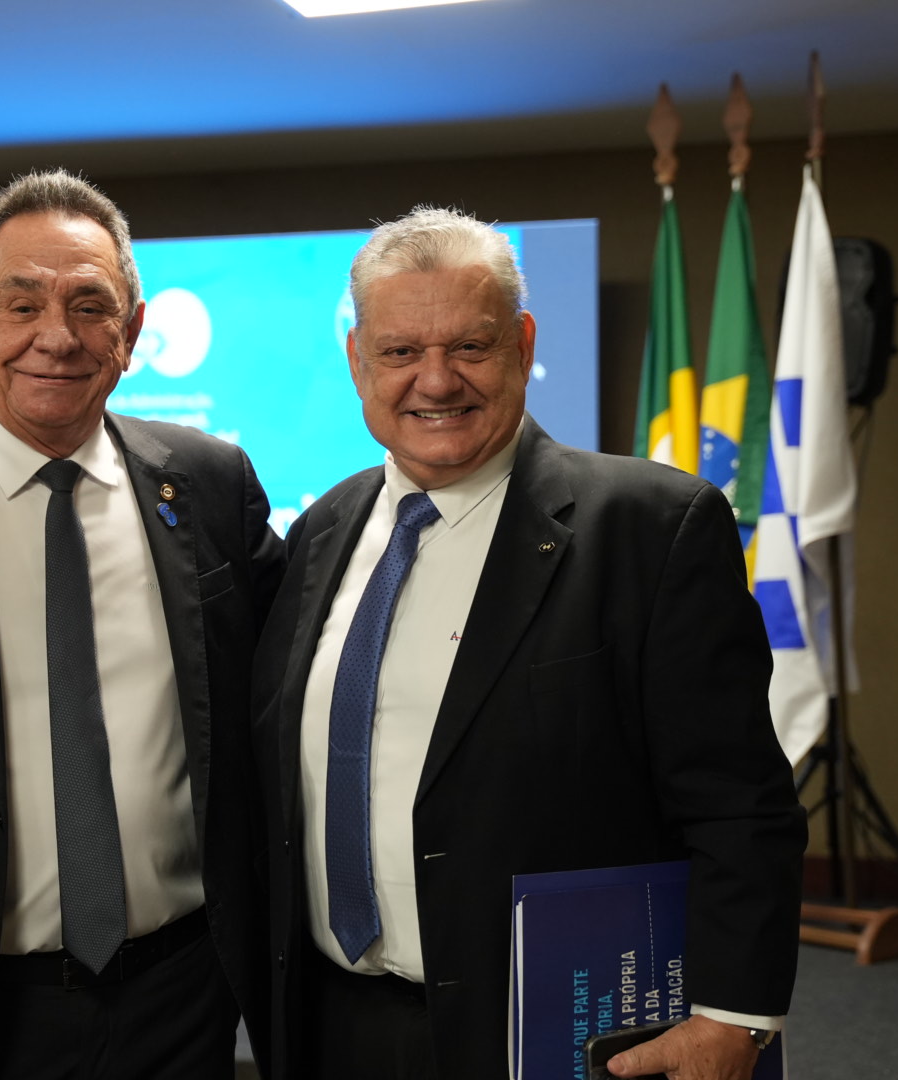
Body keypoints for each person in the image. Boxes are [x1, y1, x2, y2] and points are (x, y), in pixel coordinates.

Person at [249, 207, 806, 1079]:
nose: (436, 380)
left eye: (470, 346)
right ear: (358, 361)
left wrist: (733, 1015)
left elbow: (739, 801)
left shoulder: (653, 529)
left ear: (523, 343)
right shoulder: (323, 529)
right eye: (400, 351)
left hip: (555, 1029)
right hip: (331, 1024)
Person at [0, 169, 284, 1079]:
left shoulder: (209, 485)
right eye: (22, 304)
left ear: (133, 331)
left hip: (182, 998)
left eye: (90, 305)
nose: (57, 336)